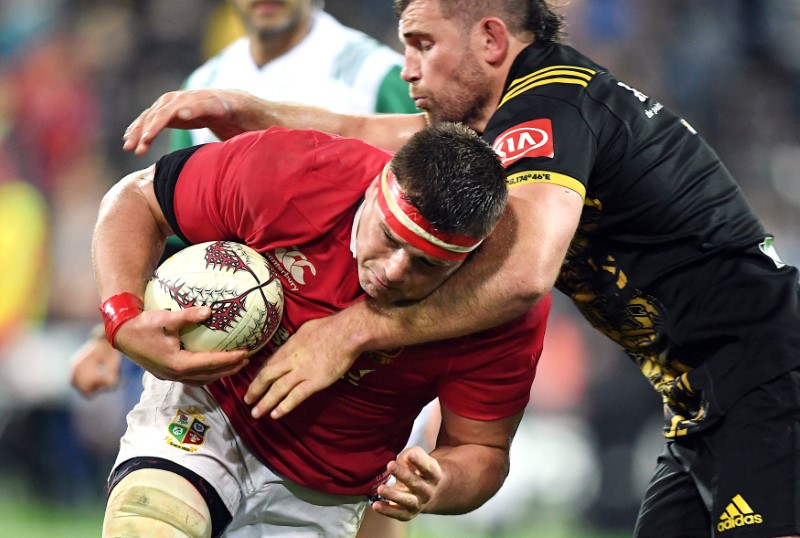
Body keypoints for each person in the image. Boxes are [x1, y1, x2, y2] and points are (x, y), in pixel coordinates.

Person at [121, 0, 800, 535]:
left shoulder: (551, 107)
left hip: (771, 378)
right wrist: (249, 109)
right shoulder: (500, 123)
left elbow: (524, 273)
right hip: (701, 400)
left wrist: (353, 330)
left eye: (420, 43)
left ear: (491, 41)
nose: (406, 67)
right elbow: (363, 131)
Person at [93, 122, 550, 537]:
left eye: (427, 265)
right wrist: (121, 317)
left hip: (325, 495)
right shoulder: (300, 172)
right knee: (147, 525)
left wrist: (439, 483)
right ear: (375, 190)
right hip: (208, 414)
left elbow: (481, 450)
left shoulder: (500, 307)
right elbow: (139, 197)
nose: (393, 271)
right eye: (390, 238)